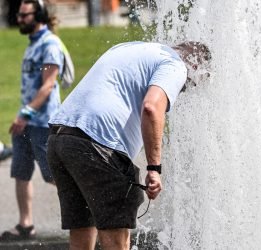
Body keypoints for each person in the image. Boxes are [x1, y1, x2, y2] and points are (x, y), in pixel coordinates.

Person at [47, 41, 211, 250]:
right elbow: (152, 108)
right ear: (195, 65)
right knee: (116, 233)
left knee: (82, 227)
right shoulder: (175, 64)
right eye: (192, 83)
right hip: (97, 145)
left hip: (60, 138)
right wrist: (154, 169)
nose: (186, 88)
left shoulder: (130, 48)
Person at [0, 0, 64, 241]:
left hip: (42, 122)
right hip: (25, 121)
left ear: (39, 15)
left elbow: (48, 86)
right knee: (20, 172)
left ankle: (90, 213)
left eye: (24, 15)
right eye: (19, 15)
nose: (19, 19)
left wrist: (24, 114)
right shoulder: (33, 44)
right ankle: (25, 224)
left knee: (53, 175)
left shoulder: (50, 44)